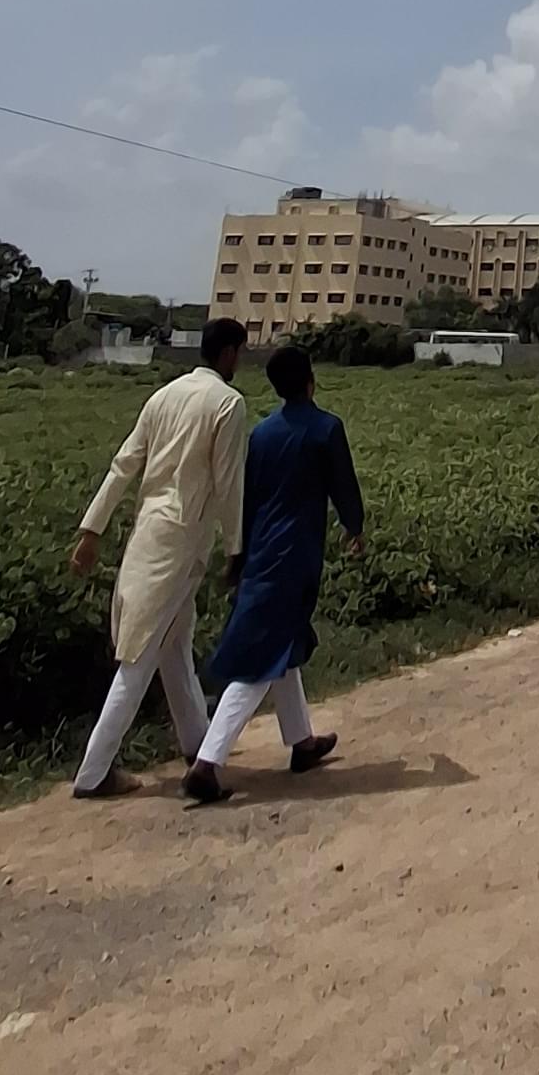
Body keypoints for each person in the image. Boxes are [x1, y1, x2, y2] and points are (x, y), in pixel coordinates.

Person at [68, 318, 249, 798]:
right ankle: (94, 772)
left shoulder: (163, 396)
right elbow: (230, 485)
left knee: (172, 647)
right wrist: (237, 548)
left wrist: (92, 529)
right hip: (183, 540)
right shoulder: (228, 403)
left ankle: (199, 747)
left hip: (148, 530)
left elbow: (124, 463)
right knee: (141, 655)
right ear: (230, 353)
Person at [183, 342, 366, 804]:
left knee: (280, 643)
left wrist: (238, 554)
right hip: (296, 552)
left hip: (263, 549)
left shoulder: (262, 434)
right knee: (262, 658)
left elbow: (246, 498)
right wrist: (355, 527)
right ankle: (208, 760)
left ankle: (302, 743)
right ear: (311, 379)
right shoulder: (326, 429)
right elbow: (344, 485)